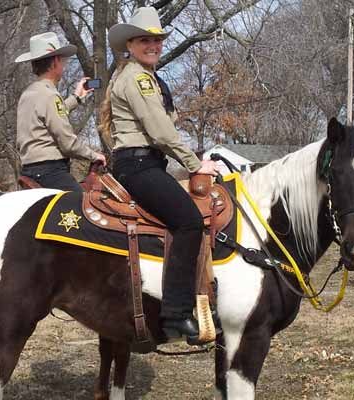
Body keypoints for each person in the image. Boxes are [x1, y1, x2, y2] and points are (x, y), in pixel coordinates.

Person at [102, 7, 219, 342]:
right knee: (189, 222)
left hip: (143, 162)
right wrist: (195, 164)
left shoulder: (141, 75)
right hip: (140, 166)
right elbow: (160, 131)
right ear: (130, 43)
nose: (153, 45)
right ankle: (175, 314)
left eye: (157, 39)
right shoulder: (138, 77)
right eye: (144, 40)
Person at [15, 32, 106, 191]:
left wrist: (76, 97)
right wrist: (94, 155)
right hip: (50, 173)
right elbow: (68, 144)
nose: (63, 64)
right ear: (56, 61)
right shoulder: (50, 95)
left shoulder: (29, 93)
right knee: (83, 206)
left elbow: (48, 114)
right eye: (62, 60)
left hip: (29, 171)